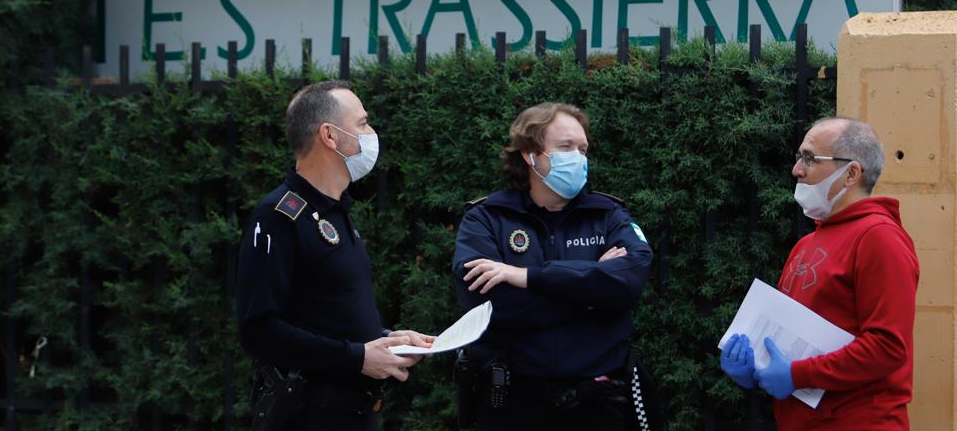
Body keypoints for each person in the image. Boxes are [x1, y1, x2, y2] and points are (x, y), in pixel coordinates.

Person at [236, 80, 433, 431]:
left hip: (354, 414)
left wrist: (386, 339)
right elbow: (258, 329)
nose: (371, 133)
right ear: (330, 135)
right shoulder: (278, 216)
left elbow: (325, 313)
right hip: (310, 414)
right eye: (363, 123)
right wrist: (357, 357)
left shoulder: (335, 212)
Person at [452, 102, 657, 431]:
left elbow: (629, 280)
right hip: (513, 403)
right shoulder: (486, 219)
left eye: (583, 149)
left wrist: (525, 277)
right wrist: (590, 295)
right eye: (565, 147)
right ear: (530, 154)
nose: (578, 157)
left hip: (598, 403)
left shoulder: (608, 216)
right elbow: (486, 304)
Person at [719, 117, 919, 429]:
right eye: (800, 157)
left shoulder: (880, 237)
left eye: (810, 158)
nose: (797, 169)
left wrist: (796, 375)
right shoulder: (807, 243)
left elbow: (888, 347)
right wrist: (754, 365)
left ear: (851, 173)